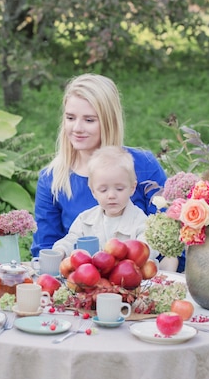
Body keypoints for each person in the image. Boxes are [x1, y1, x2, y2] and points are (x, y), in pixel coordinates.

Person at [32, 73, 184, 271]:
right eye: (70, 118)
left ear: (108, 121)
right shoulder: (52, 178)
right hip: (81, 283)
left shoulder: (142, 165)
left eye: (89, 120)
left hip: (143, 278)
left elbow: (171, 236)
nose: (77, 128)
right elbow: (46, 249)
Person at [52, 146, 155, 259]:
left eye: (119, 189)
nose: (111, 195)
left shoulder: (140, 221)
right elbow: (71, 239)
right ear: (93, 191)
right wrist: (61, 249)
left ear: (132, 188)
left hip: (126, 274)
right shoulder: (85, 220)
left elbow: (148, 247)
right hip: (91, 275)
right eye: (103, 190)